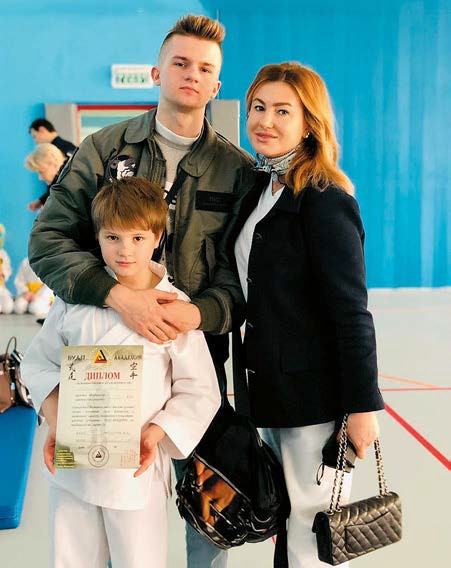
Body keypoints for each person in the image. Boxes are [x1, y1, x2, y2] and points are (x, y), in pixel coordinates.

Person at [28, 14, 254, 567]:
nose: (191, 75)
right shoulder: (103, 149)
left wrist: (194, 316)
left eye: (205, 68)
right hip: (101, 358)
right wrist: (116, 296)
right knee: (101, 506)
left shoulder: (237, 171)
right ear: (157, 72)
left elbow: (241, 279)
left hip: (194, 356)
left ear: (217, 84)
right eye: (180, 63)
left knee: (209, 517)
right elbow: (47, 241)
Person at [229, 63, 385, 567]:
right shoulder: (261, 189)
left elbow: (351, 312)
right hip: (271, 392)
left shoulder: (325, 200)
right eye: (258, 107)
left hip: (317, 399)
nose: (265, 121)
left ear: (309, 123)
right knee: (287, 526)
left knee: (310, 536)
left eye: (282, 111)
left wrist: (362, 408)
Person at [21, 177, 221, 568]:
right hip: (73, 465)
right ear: (97, 236)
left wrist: (157, 432)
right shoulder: (75, 299)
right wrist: (57, 422)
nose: (124, 250)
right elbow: (39, 363)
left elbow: (199, 389)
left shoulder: (173, 305)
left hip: (135, 469)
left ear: (157, 237)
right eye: (112, 238)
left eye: (137, 238)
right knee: (71, 559)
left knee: (138, 560)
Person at [25, 143, 67, 211]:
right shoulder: (63, 179)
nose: (40, 178)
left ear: (54, 164)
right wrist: (41, 201)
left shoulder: (65, 188)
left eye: (41, 172)